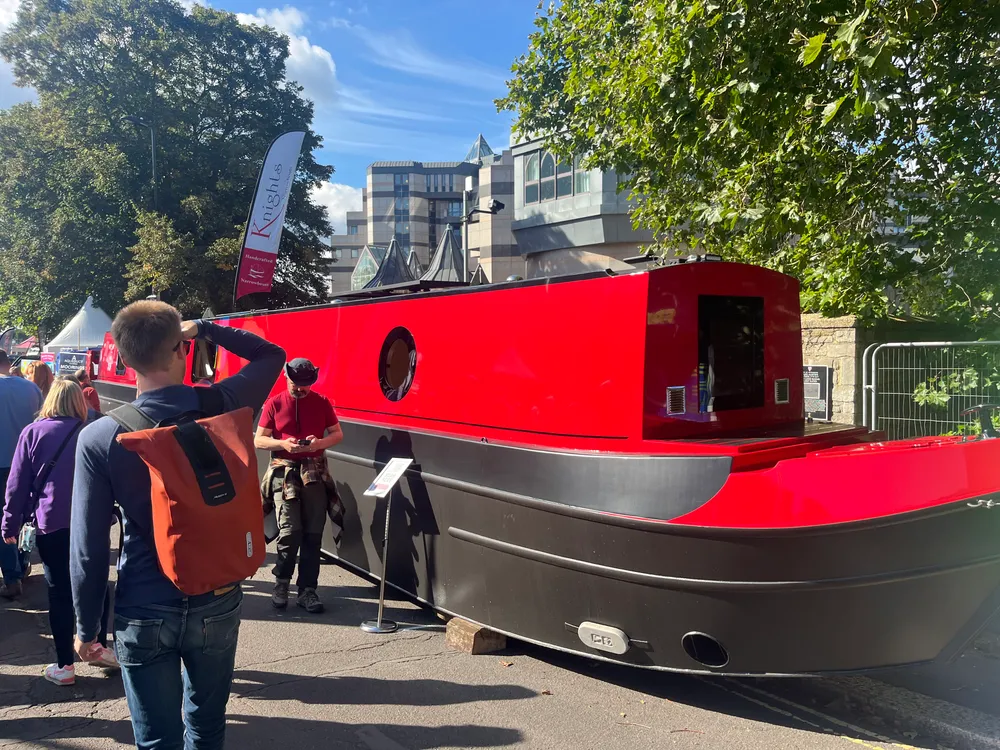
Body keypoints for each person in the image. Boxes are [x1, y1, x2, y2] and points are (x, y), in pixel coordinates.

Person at [71, 301, 284, 750]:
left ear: (125, 361)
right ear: (182, 351)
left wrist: (86, 627)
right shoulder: (223, 403)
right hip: (217, 594)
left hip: (144, 601)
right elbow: (271, 356)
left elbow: (88, 549)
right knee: (206, 729)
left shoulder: (100, 437)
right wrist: (206, 327)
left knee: (156, 739)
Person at [2, 378, 117, 685]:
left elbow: (17, 485)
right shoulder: (92, 432)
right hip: (92, 521)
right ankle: (98, 646)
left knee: (60, 593)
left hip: (50, 523)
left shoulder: (32, 433)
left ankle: (65, 666)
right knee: (96, 583)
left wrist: (9, 524)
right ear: (80, 402)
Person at [254, 358, 343, 614]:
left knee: (313, 534)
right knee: (290, 532)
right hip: (284, 473)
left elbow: (338, 434)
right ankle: (281, 584)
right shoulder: (274, 403)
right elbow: (259, 440)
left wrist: (318, 444)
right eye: (296, 384)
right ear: (286, 378)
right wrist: (283, 444)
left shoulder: (322, 402)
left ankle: (308, 591)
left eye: (305, 385)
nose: (300, 389)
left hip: (314, 471)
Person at [0, 350, 43, 598]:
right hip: (27, 463)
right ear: (9, 363)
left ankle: (12, 575)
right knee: (25, 516)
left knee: (3, 520)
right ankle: (23, 562)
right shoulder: (30, 389)